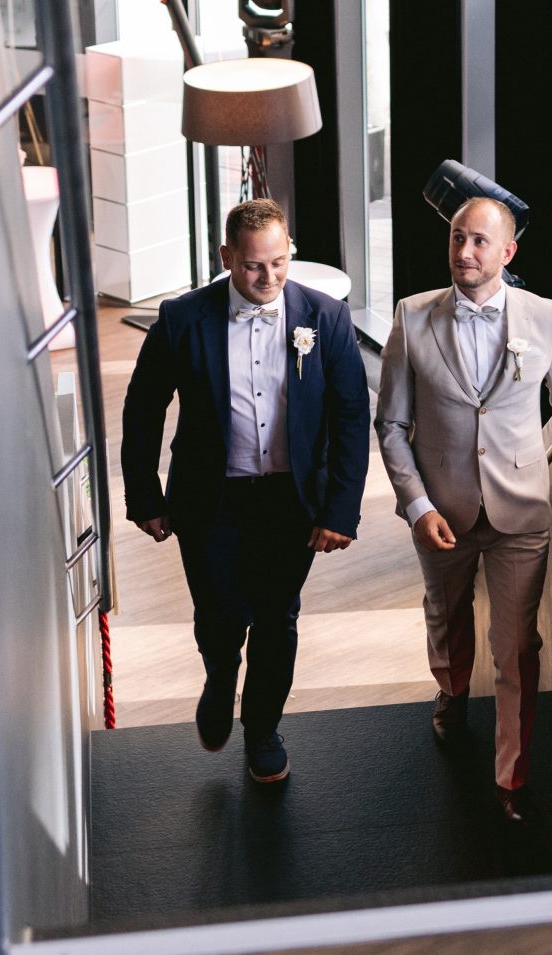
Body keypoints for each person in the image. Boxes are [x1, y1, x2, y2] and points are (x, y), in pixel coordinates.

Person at [121, 199, 369, 785]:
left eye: (280, 263)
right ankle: (218, 675)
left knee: (278, 618)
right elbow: (142, 410)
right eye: (255, 266)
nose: (269, 278)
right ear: (227, 257)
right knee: (220, 613)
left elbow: (353, 416)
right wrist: (145, 498)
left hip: (292, 501)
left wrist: (341, 509)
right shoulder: (183, 319)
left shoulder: (325, 318)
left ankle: (262, 731)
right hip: (212, 500)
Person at [377, 196, 552, 822]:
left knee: (518, 644)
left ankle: (512, 777)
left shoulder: (546, 317)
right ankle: (449, 688)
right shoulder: (412, 316)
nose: (464, 253)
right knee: (446, 619)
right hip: (440, 511)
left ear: (508, 252)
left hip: (521, 512)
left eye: (479, 242)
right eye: (456, 239)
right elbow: (391, 423)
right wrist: (416, 505)